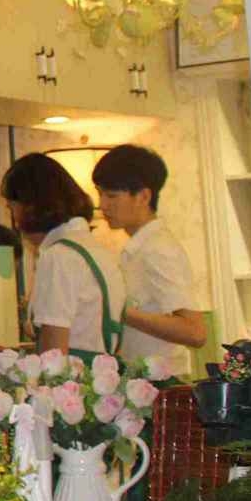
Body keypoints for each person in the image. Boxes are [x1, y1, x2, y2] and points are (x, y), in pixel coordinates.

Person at [94, 144, 208, 377]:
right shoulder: (139, 247)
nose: (102, 205)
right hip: (142, 381)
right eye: (100, 194)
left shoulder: (158, 249)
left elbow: (195, 332)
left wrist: (119, 311)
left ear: (143, 196)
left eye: (111, 195)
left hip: (162, 384)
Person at [1, 153, 125, 359]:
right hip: (100, 373)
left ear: (30, 207)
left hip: (70, 375)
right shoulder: (98, 250)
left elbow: (53, 350)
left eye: (12, 208)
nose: (15, 222)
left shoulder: (58, 256)